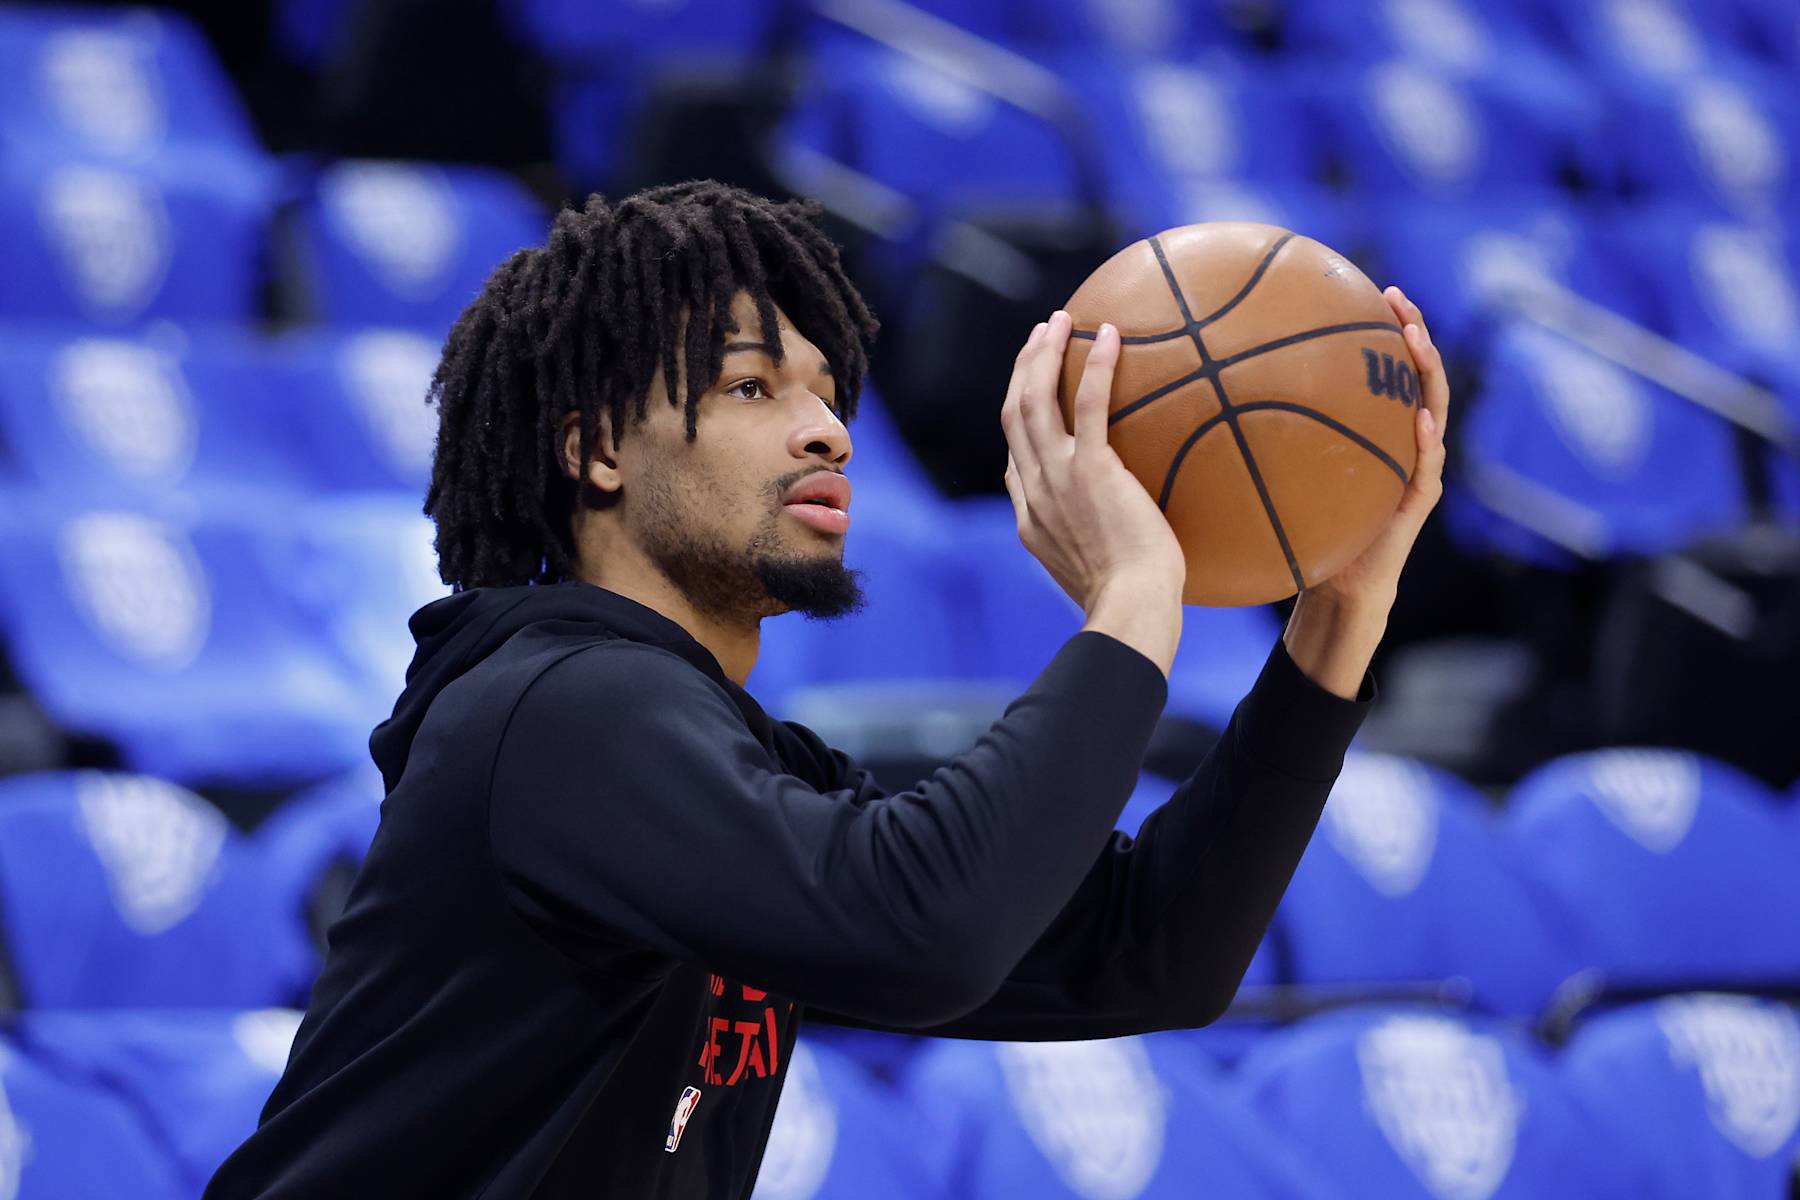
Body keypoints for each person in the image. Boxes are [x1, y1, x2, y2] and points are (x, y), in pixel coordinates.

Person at [205, 180, 1450, 1198]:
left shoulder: (729, 762)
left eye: (827, 392)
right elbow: (925, 929)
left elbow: (1153, 955)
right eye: (754, 387)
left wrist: (1336, 618)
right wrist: (1131, 598)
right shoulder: (556, 707)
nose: (829, 431)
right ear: (592, 449)